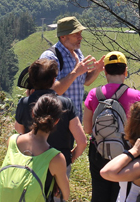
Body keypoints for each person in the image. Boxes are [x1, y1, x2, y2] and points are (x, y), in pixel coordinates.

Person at [15, 58, 86, 197]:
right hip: (59, 163)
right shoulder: (66, 104)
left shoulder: (24, 103)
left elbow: (19, 131)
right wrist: (68, 159)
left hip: (32, 162)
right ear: (54, 80)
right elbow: (82, 142)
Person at [83, 51, 140, 202]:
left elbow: (87, 129)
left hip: (98, 151)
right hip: (126, 153)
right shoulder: (137, 96)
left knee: (99, 195)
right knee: (122, 194)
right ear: (125, 71)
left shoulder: (93, 94)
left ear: (104, 71)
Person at [0, 95, 70, 201]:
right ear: (57, 121)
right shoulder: (55, 158)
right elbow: (65, 195)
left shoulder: (12, 141)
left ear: (33, 114)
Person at [40, 16, 104, 119]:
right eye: (76, 34)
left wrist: (97, 70)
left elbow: (85, 81)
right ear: (63, 36)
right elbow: (51, 92)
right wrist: (75, 73)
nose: (80, 37)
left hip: (75, 121)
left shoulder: (78, 53)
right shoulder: (50, 57)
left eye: (80, 33)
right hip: (56, 122)